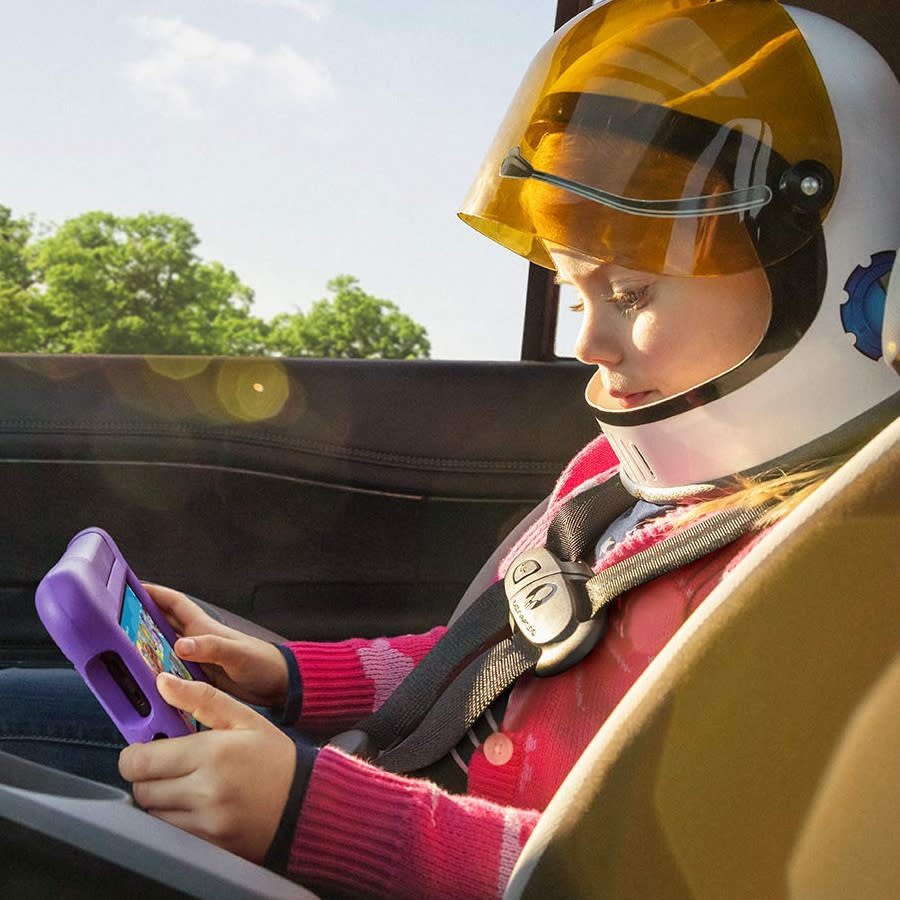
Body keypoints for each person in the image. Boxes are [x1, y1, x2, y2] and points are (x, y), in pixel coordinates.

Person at [1, 1, 898, 897]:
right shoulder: (618, 482)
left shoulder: (823, 574)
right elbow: (479, 653)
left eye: (629, 290)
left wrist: (310, 810)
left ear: (826, 265)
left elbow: (648, 874)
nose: (585, 339)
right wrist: (291, 676)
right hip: (374, 788)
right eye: (573, 292)